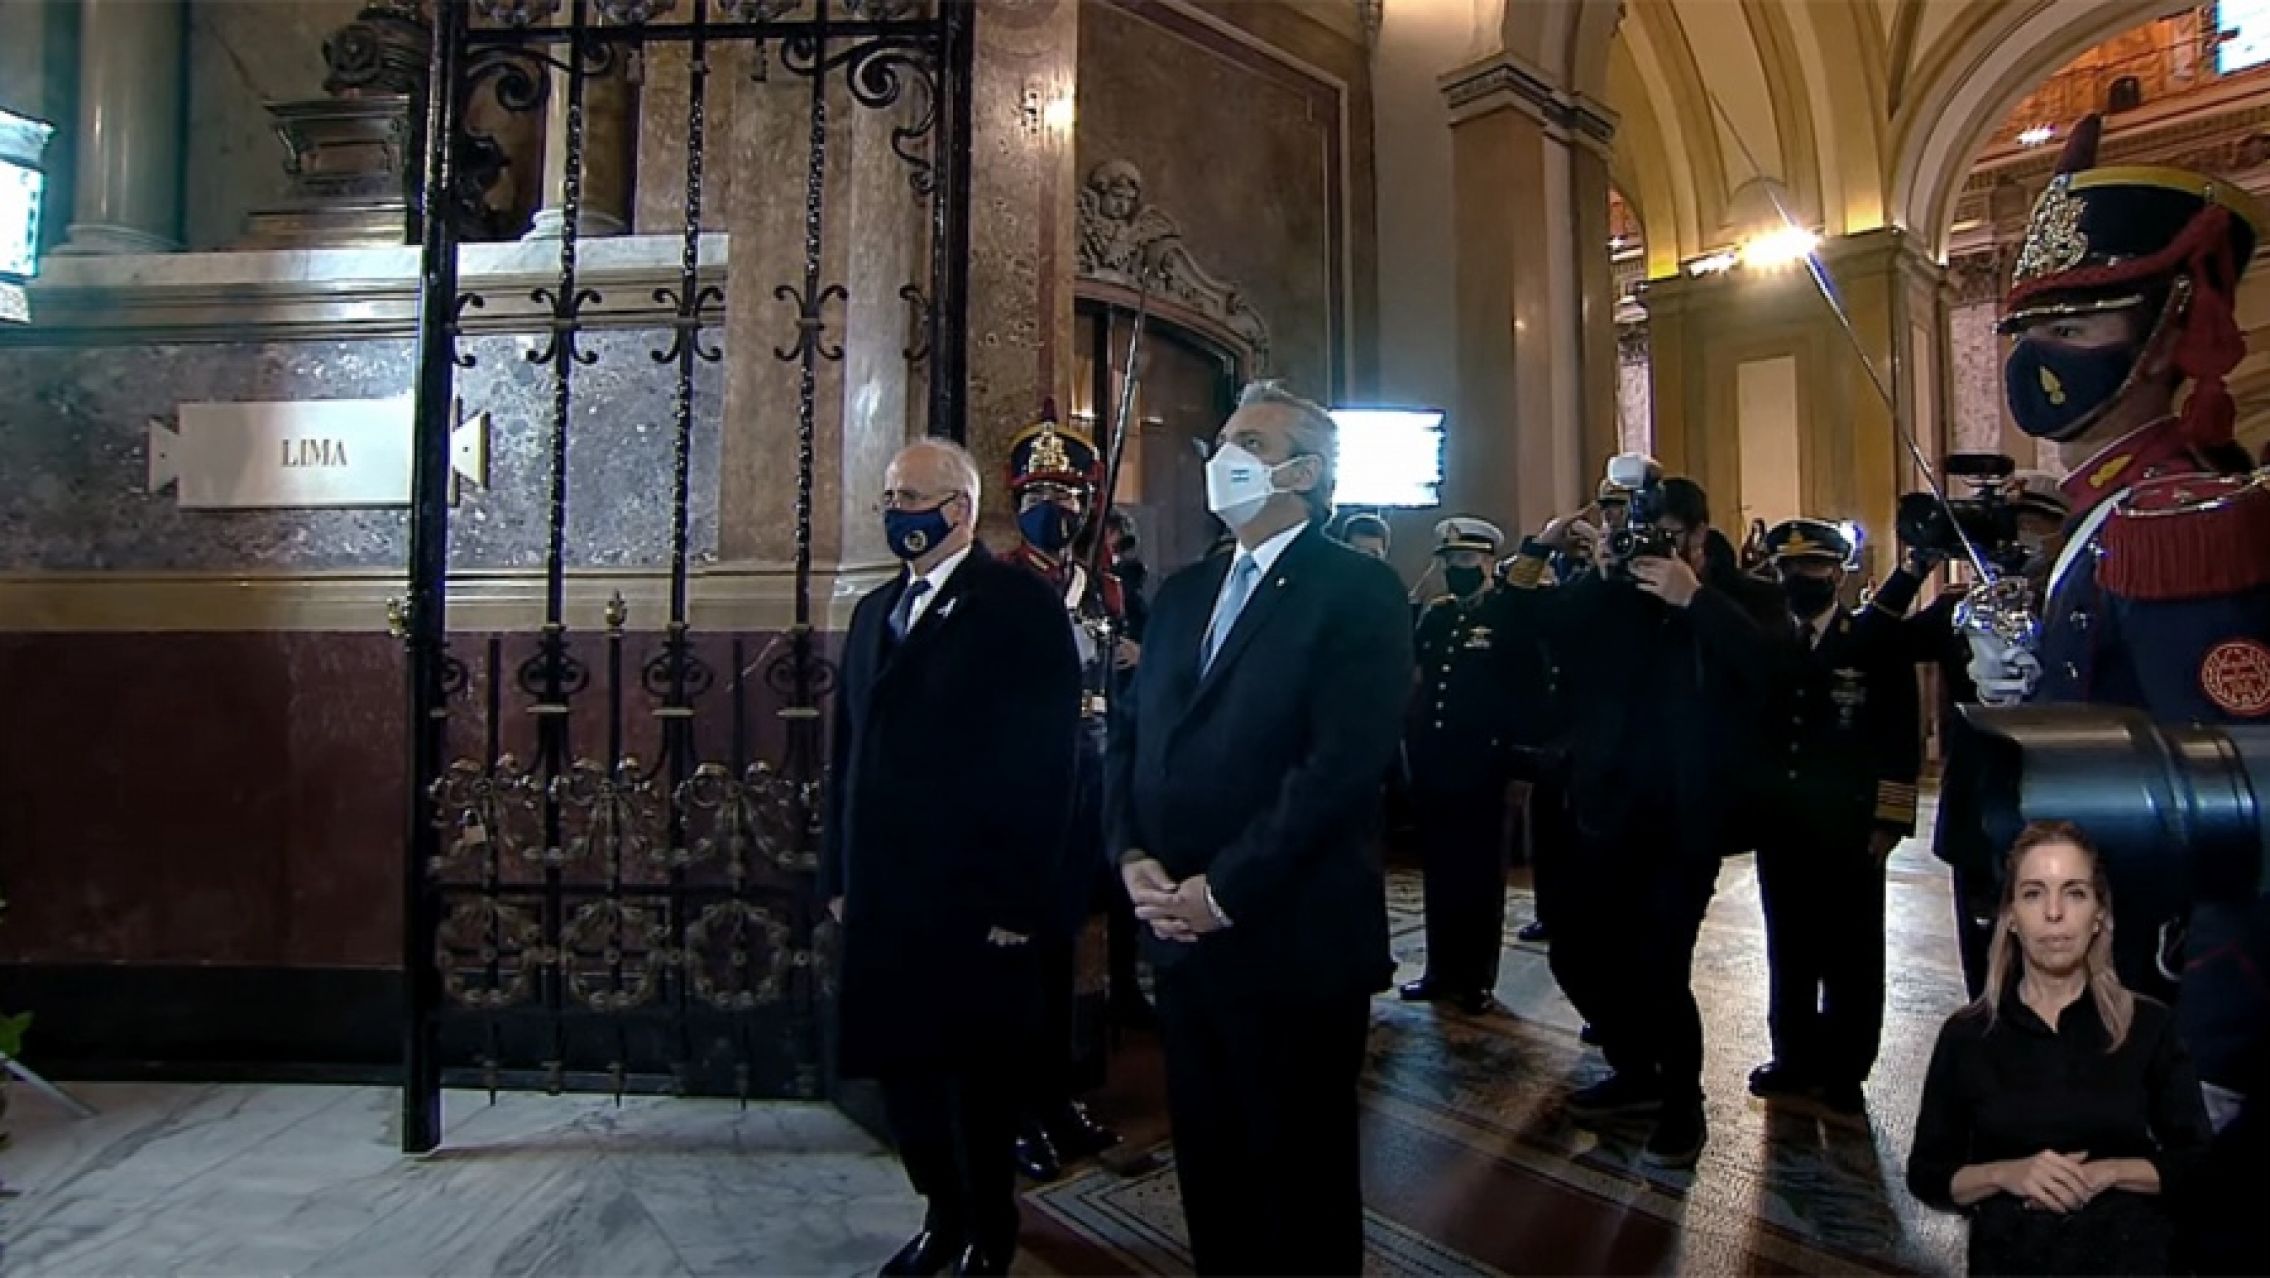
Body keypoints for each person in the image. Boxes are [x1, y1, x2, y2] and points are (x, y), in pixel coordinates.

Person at [1947, 115, 2270, 1270]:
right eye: (2025, 325)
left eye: (2075, 323)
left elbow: (2235, 805)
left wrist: (2218, 1047)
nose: (2039, 354)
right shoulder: (2101, 516)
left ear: (2173, 325)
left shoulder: (2183, 518)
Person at [1105, 380, 1413, 1275]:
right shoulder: (1185, 588)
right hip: (1181, 937)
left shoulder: (1358, 589)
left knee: (1300, 1178)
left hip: (1290, 939)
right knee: (1213, 1170)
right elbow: (1134, 733)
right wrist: (1128, 856)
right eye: (1222, 440)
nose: (1222, 459)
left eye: (1247, 443)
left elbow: (1340, 768)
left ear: (1306, 473)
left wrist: (1224, 891)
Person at [821, 439, 1082, 1278]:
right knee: (904, 1072)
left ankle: (987, 1229)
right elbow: (846, 756)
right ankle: (939, 1214)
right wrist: (838, 876)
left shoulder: (1016, 606)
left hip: (973, 897)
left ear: (959, 509)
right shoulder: (872, 613)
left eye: (912, 495)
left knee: (975, 1077)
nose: (896, 510)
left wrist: (1019, 899)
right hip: (885, 896)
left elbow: (1048, 760)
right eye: (889, 495)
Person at [1499, 471, 1784, 1167]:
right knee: (1577, 950)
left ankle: (1683, 1105)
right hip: (1602, 809)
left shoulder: (1742, 596)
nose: (1652, 547)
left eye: (1667, 535)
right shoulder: (1609, 597)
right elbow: (1519, 624)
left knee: (1661, 966)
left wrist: (1696, 600)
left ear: (1695, 535)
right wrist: (1548, 551)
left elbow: (1772, 674)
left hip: (1686, 820)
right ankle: (1635, 1068)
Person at [1908, 821, 2212, 1277]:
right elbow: (1927, 1175)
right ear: (2009, 915)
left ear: (2099, 915)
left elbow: (2199, 1165)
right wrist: (2006, 1174)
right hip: (2011, 1260)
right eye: (2033, 894)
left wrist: (2107, 1173)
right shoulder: (1967, 1036)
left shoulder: (2149, 1026)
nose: (2054, 913)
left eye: (2074, 893)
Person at [1747, 519, 1920, 1117]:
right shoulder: (1772, 640)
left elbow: (1901, 737)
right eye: (1791, 568)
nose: (1803, 577)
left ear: (1839, 573)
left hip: (1848, 828)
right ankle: (1792, 1057)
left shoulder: (1872, 641)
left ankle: (1846, 1068)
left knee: (1851, 953)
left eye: (1816, 567)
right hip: (1784, 829)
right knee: (1788, 946)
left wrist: (1889, 822)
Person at [997, 403, 1124, 1182]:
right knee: (1020, 965)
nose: (1057, 511)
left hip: (1089, 785)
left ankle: (1059, 1094)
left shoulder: (1097, 583)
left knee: (1070, 950)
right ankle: (1017, 1110)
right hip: (1028, 794)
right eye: (1042, 499)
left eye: (1069, 499)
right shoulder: (1008, 585)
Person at [1399, 516, 1519, 1015]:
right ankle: (1440, 968)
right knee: (1441, 871)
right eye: (1449, 561)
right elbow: (1416, 665)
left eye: (1466, 560)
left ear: (1490, 561)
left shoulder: (1506, 615)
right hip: (1437, 761)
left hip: (1483, 763)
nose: (1456, 569)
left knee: (1479, 875)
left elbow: (1521, 689)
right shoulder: (1439, 614)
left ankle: (1476, 977)